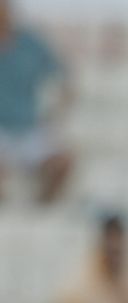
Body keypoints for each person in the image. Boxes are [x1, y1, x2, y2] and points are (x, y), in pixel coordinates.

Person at [0, 0, 73, 205]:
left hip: (29, 127)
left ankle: (42, 208)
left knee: (63, 163)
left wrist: (57, 114)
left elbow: (63, 77)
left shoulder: (30, 43)